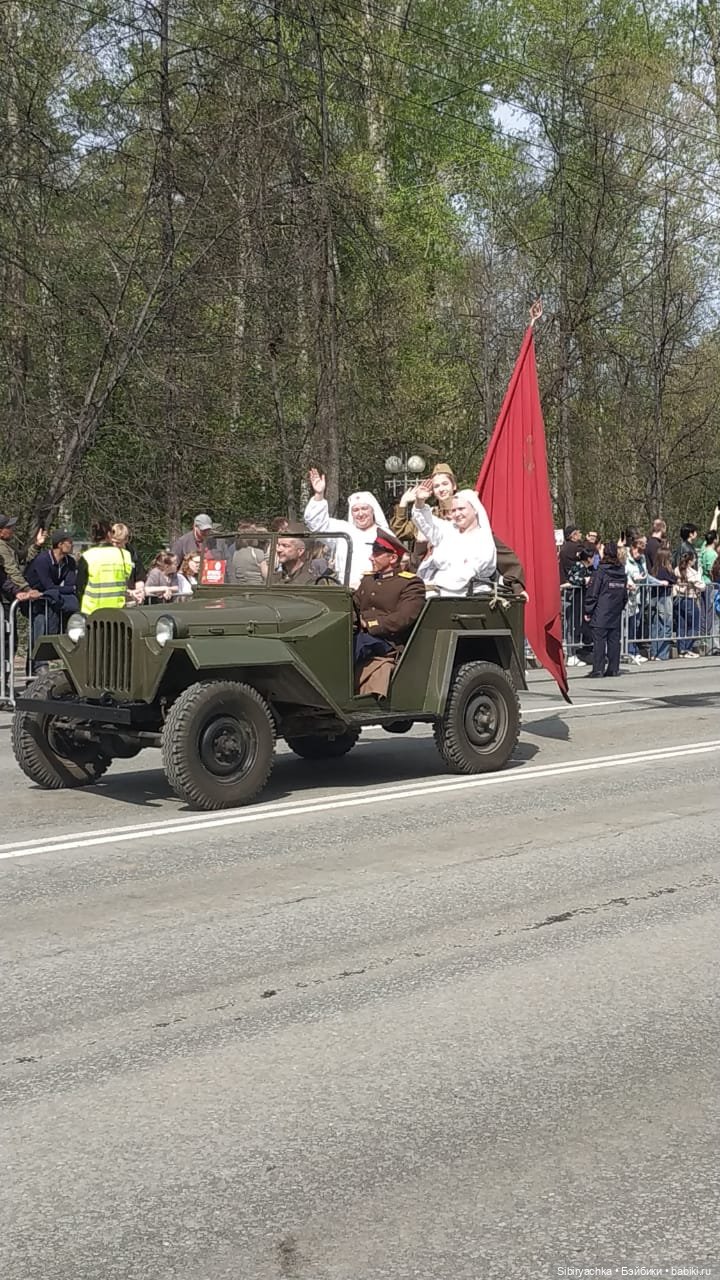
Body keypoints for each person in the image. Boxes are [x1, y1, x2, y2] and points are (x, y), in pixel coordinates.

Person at [410, 480, 496, 595]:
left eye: (461, 509)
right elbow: (426, 522)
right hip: (439, 594)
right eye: (454, 510)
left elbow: (466, 573)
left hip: (472, 595)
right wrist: (420, 502)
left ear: (475, 509)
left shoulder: (483, 539)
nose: (457, 514)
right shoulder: (448, 530)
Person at [304, 469, 385, 588]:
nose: (360, 514)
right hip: (345, 591)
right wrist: (319, 495)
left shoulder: (384, 533)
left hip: (376, 590)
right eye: (356, 510)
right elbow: (316, 525)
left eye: (364, 509)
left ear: (373, 511)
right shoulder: (343, 529)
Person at [353, 530, 426, 663]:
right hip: (361, 634)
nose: (371, 557)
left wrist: (368, 624)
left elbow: (402, 618)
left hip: (388, 641)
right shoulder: (368, 579)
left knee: (353, 646)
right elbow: (354, 604)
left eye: (376, 554)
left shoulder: (411, 584)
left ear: (392, 558)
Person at [24, 530, 79, 668]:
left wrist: (59, 590)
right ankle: (36, 668)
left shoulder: (70, 562)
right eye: (69, 542)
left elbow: (71, 585)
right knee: (39, 627)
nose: (72, 545)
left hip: (49, 599)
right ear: (60, 544)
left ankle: (47, 664)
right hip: (33, 601)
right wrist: (61, 590)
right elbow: (47, 585)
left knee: (52, 629)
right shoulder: (43, 560)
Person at [584, 541, 628, 677]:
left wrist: (588, 609)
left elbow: (593, 592)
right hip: (615, 611)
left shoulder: (601, 572)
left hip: (601, 610)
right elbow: (624, 595)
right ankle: (613, 668)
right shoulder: (621, 572)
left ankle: (598, 669)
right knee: (614, 640)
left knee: (599, 640)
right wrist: (620, 607)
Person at [76, 522, 134, 614]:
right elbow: (126, 578)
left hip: (91, 611)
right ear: (109, 534)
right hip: (118, 610)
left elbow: (79, 587)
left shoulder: (87, 556)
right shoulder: (124, 555)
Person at [674, 552, 704, 655]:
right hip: (689, 598)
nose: (695, 561)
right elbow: (702, 586)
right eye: (694, 559)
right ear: (690, 561)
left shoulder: (676, 569)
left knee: (681, 624)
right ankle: (688, 648)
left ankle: (681, 648)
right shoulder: (692, 572)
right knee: (695, 624)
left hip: (678, 599)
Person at [648, 548, 675, 661]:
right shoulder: (664, 570)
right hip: (664, 598)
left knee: (656, 626)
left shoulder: (654, 570)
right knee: (666, 625)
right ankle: (662, 654)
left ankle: (654, 653)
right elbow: (673, 579)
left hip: (654, 598)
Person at [228, 521, 269, 586]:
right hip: (258, 588)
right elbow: (267, 575)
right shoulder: (257, 552)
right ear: (252, 538)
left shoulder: (236, 553)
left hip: (240, 588)